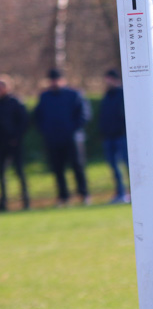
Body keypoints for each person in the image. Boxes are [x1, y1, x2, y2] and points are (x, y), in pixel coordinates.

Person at [33, 68, 91, 207]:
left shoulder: (74, 94)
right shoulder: (45, 96)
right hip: (53, 139)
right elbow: (38, 116)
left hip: (72, 139)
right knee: (58, 168)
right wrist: (46, 131)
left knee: (78, 166)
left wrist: (72, 130)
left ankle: (84, 194)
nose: (54, 83)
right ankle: (63, 197)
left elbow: (84, 115)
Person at [100, 69, 130, 203]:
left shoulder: (123, 93)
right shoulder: (107, 95)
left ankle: (133, 192)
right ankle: (120, 193)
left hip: (122, 136)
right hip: (109, 137)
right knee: (115, 167)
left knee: (128, 165)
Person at [0, 75, 30, 211]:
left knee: (20, 172)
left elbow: (24, 121)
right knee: (2, 174)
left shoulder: (15, 102)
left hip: (15, 143)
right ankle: (4, 202)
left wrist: (16, 137)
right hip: (1, 144)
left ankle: (26, 201)